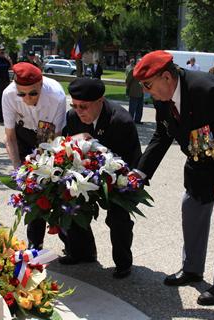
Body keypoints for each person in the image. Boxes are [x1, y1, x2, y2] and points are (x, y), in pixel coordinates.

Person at [132, 50, 214, 305]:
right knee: (191, 208)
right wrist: (140, 171)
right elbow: (163, 135)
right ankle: (192, 268)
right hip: (201, 158)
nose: (147, 91)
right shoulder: (164, 98)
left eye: (148, 85)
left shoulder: (207, 90)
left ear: (166, 77)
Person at [59, 78, 142, 279]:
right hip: (85, 171)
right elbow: (65, 147)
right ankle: (82, 252)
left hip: (119, 174)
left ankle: (123, 262)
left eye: (84, 107)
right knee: (69, 204)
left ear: (100, 101)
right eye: (75, 106)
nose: (79, 111)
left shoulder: (120, 121)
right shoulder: (72, 117)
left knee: (117, 216)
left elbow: (129, 161)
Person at [2, 62, 66, 250]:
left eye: (33, 93)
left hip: (50, 136)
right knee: (32, 192)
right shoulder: (8, 95)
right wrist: (18, 172)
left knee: (54, 188)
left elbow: (55, 140)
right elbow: (10, 137)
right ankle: (34, 243)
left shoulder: (56, 95)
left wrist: (45, 169)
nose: (27, 99)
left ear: (41, 84)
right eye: (21, 94)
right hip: (24, 135)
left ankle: (71, 243)